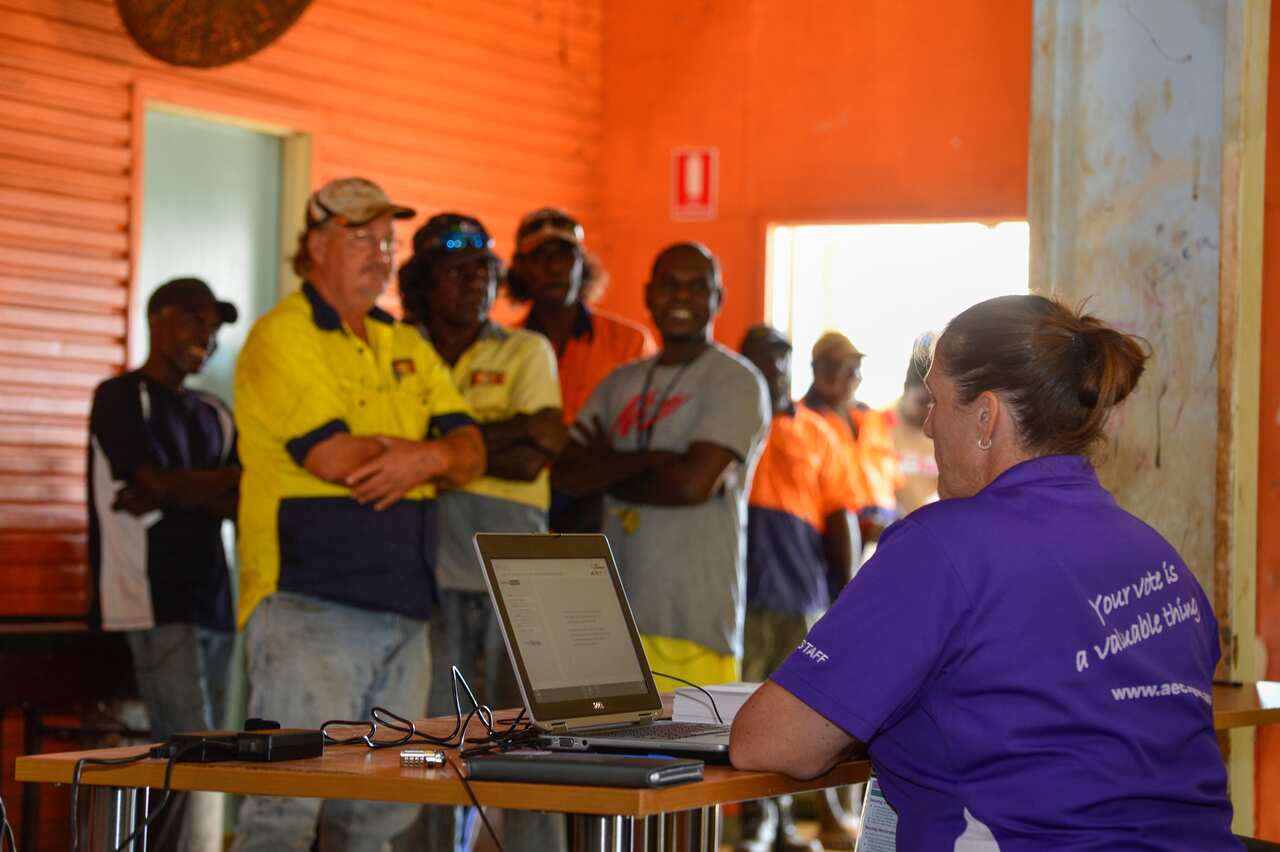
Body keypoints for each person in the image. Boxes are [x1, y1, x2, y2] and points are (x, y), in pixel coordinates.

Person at [730, 295, 1236, 850]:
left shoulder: (940, 546)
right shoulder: (1163, 561)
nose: (925, 424)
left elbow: (770, 744)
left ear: (987, 417)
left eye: (938, 399)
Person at [231, 178, 485, 852]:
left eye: (389, 242)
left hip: (404, 606)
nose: (381, 255)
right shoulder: (281, 336)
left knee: (379, 812)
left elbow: (472, 450)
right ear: (315, 245)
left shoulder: (398, 338)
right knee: (285, 809)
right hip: (309, 605)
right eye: (362, 239)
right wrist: (430, 454)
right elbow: (333, 457)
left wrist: (418, 459)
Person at [395, 212, 567, 852]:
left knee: (525, 740)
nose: (475, 281)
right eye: (457, 269)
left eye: (485, 270)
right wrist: (496, 437)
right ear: (421, 280)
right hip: (420, 566)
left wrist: (428, 450)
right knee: (428, 739)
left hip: (511, 566)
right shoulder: (394, 348)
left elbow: (539, 449)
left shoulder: (524, 349)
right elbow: (516, 444)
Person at [553, 242, 770, 686]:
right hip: (611, 622)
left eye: (696, 287)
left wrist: (608, 468)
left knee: (690, 754)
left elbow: (691, 485)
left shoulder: (736, 380)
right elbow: (568, 474)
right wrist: (655, 460)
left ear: (718, 298)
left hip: (693, 625)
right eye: (670, 285)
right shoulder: (620, 382)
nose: (682, 297)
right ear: (649, 294)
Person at [88, 276, 240, 852]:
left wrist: (177, 489)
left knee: (216, 752)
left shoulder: (213, 412)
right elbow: (145, 480)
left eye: (214, 325)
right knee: (186, 752)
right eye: (195, 319)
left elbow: (240, 493)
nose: (207, 334)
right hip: (151, 597)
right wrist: (199, 486)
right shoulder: (121, 396)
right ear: (158, 318)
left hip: (214, 599)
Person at [737, 324, 859, 852]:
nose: (772, 369)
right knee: (742, 711)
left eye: (779, 359)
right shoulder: (732, 419)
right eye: (759, 359)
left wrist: (847, 601)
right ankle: (759, 824)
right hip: (737, 598)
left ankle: (788, 825)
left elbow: (841, 521)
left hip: (798, 595)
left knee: (797, 712)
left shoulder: (817, 431)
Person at [507, 208, 656, 532]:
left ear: (582, 264)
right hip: (524, 506)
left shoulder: (628, 343)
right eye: (540, 257)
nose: (554, 267)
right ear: (520, 267)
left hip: (606, 507)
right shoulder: (504, 348)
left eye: (565, 256)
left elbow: (649, 430)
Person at [801, 332, 902, 551]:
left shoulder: (873, 420)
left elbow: (893, 484)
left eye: (855, 367)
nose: (851, 375)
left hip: (883, 542)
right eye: (840, 367)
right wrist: (859, 527)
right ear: (818, 370)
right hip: (831, 543)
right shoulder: (801, 421)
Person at [888, 334, 939, 515]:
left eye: (935, 403)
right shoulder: (879, 427)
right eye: (922, 401)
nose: (929, 411)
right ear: (906, 389)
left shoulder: (943, 430)